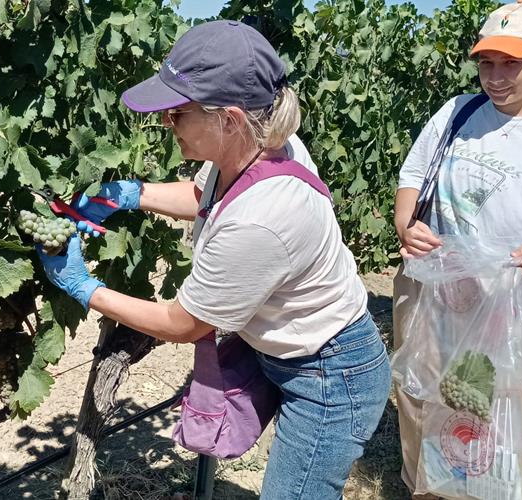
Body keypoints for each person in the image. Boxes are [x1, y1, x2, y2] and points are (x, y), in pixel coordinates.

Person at [40, 20, 391, 499]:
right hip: (293, 347)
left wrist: (85, 287)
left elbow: (183, 324)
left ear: (227, 118)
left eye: (177, 112)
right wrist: (128, 195)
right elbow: (204, 195)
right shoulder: (259, 144)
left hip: (330, 375)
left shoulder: (261, 220)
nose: (166, 122)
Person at [391, 0, 522, 494]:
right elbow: (415, 172)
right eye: (487, 63)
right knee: (423, 394)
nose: (495, 76)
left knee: (485, 404)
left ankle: (476, 489)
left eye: (511, 63)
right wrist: (404, 220)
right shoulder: (459, 112)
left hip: (498, 301)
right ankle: (427, 485)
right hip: (433, 286)